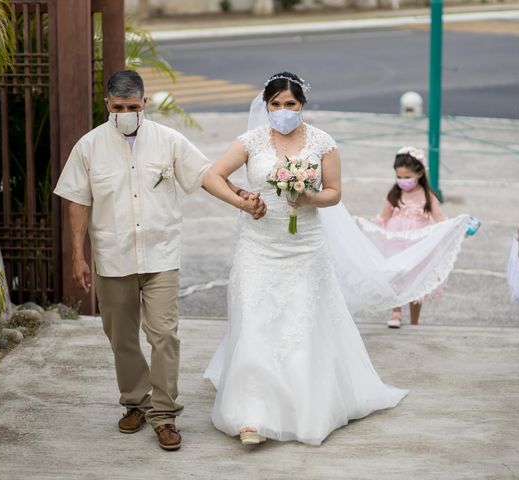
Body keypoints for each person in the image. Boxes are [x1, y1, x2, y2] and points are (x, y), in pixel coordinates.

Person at [53, 70, 265, 451]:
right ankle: (136, 402)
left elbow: (206, 176)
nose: (126, 113)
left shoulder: (169, 141)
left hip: (160, 256)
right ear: (107, 106)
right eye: (119, 107)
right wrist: (77, 257)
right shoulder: (88, 147)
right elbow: (77, 201)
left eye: (133, 107)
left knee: (164, 334)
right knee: (120, 338)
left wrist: (241, 200)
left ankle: (164, 414)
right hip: (112, 256)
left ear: (145, 104)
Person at [201, 72, 408, 446]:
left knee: (300, 323)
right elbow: (211, 176)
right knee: (255, 321)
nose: (282, 111)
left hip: (304, 246)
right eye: (275, 104)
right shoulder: (250, 142)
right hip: (258, 245)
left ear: (302, 106)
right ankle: (251, 415)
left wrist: (308, 198)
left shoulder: (322, 143)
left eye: (290, 104)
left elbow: (334, 193)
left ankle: (304, 407)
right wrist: (242, 202)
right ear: (266, 106)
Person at [372, 146, 446, 328]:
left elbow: (440, 218)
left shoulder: (428, 196)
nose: (402, 181)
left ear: (420, 173)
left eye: (407, 177)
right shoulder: (395, 194)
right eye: (399, 177)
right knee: (396, 275)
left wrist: (457, 227)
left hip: (418, 243)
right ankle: (396, 312)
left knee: (415, 280)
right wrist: (369, 227)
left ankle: (414, 320)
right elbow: (384, 217)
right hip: (395, 240)